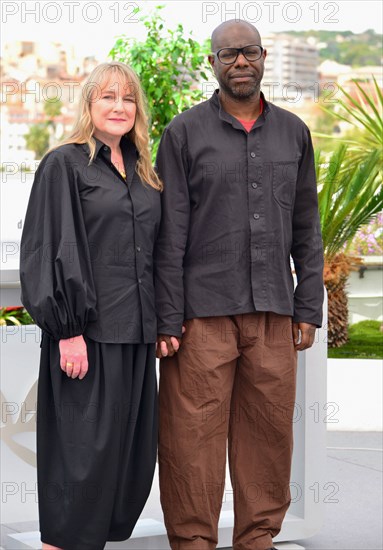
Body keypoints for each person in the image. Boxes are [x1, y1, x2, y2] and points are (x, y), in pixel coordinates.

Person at [155, 20, 324, 550]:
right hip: (200, 317)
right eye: (228, 55)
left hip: (274, 315)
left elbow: (306, 226)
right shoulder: (182, 133)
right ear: (213, 63)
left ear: (264, 56)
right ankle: (193, 542)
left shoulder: (294, 132)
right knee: (190, 440)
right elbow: (169, 232)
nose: (240, 62)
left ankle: (258, 539)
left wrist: (308, 306)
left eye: (248, 52)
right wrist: (167, 315)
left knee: (268, 437)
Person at [20, 61, 162, 550]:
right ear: (89, 105)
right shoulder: (65, 164)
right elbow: (48, 248)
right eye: (107, 96)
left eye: (127, 98)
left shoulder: (145, 173)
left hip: (138, 336)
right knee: (80, 466)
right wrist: (68, 330)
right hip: (88, 336)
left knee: (126, 463)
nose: (119, 106)